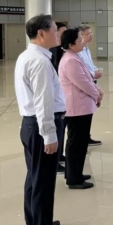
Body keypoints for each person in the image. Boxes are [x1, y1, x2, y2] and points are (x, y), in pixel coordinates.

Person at [14, 14, 74, 225]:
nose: (58, 34)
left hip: (31, 124)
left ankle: (36, 224)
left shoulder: (27, 56)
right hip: (42, 126)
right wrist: (49, 134)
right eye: (54, 30)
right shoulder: (39, 61)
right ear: (41, 33)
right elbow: (43, 101)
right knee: (44, 181)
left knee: (34, 177)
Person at [59, 28, 103, 190]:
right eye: (79, 40)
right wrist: (97, 94)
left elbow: (87, 78)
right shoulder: (70, 61)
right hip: (77, 108)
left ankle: (74, 173)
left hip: (81, 107)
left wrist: (97, 90)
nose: (82, 42)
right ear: (71, 45)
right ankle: (74, 179)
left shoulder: (74, 57)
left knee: (79, 143)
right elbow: (83, 83)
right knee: (76, 144)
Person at [77, 25, 103, 147]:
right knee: (82, 115)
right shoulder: (78, 51)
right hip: (84, 84)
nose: (90, 36)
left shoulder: (86, 49)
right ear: (80, 35)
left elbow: (89, 65)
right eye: (88, 34)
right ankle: (82, 140)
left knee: (88, 113)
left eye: (91, 33)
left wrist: (95, 70)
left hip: (91, 81)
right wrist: (93, 74)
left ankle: (86, 137)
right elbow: (81, 71)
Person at [50, 22, 67, 175]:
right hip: (55, 99)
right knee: (56, 129)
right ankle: (55, 162)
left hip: (60, 98)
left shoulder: (61, 49)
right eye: (59, 32)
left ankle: (60, 155)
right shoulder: (53, 52)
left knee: (61, 129)